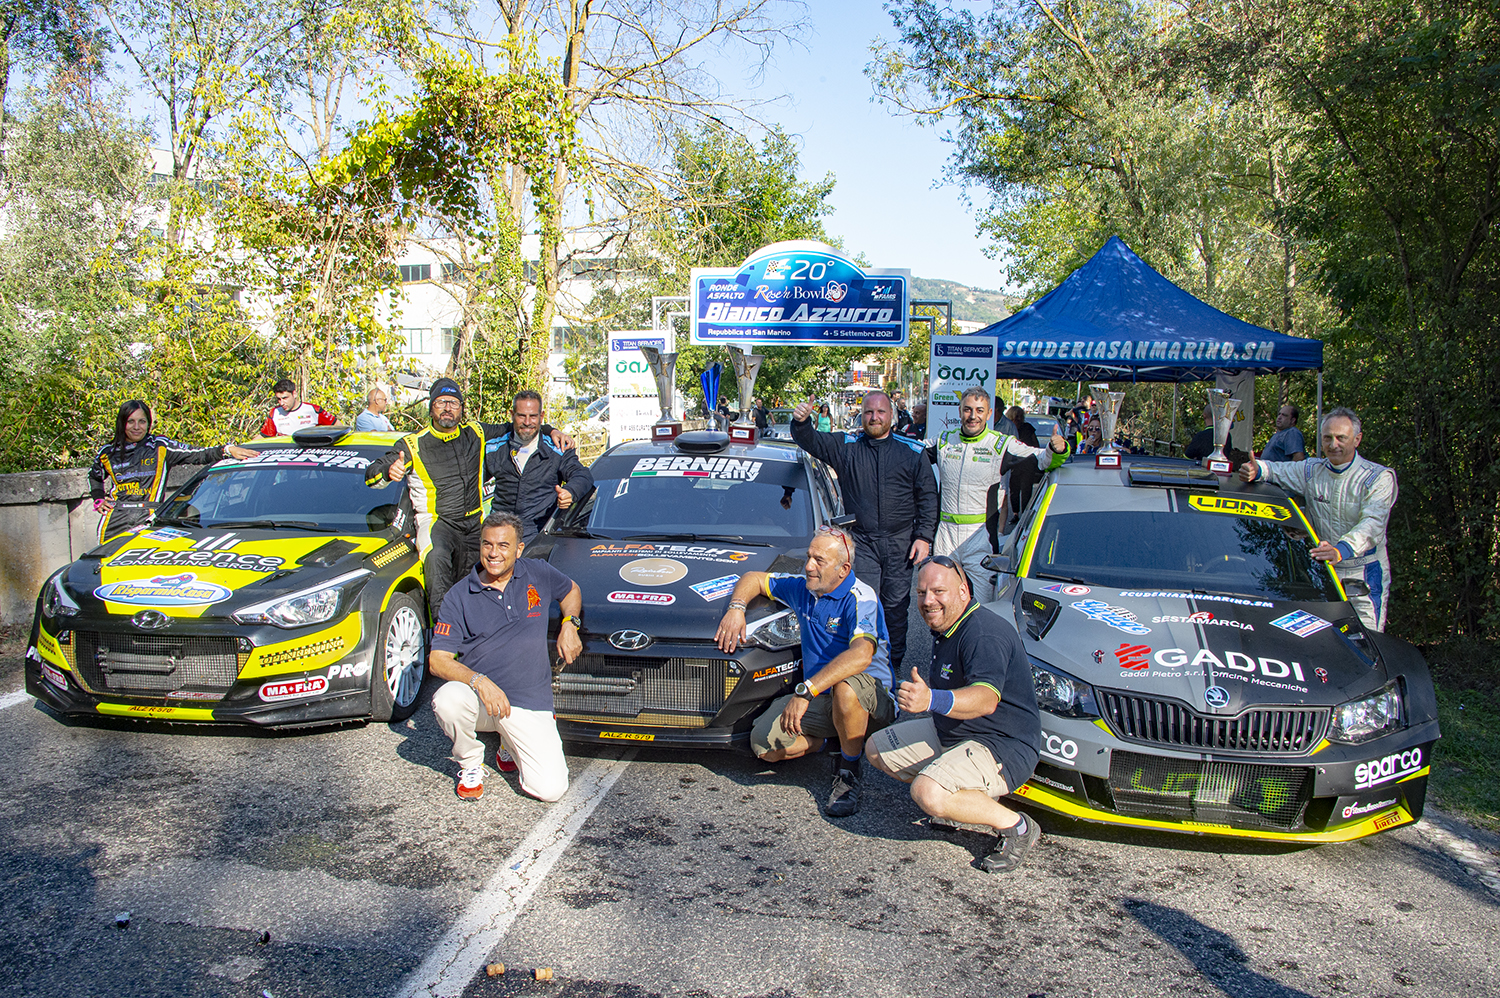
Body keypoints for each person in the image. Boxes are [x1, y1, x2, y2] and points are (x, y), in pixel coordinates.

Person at [865, 555, 1042, 873]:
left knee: (926, 791)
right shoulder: (949, 625)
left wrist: (931, 698)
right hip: (958, 731)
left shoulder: (983, 634)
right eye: (921, 593)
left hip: (1000, 743)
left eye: (938, 592)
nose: (928, 601)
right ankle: (958, 806)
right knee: (878, 749)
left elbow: (986, 699)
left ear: (963, 591)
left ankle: (1018, 827)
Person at [715, 525, 895, 816]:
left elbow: (862, 655)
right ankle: (831, 740)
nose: (808, 566)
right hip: (819, 694)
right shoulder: (804, 587)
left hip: (871, 700)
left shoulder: (861, 597)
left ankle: (849, 770)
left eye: (819, 560)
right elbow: (753, 578)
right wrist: (736, 608)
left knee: (846, 689)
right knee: (763, 745)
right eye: (809, 556)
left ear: (843, 568)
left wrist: (805, 690)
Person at [364, 378, 572, 622]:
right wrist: (389, 471)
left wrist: (551, 430)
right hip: (438, 524)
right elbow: (372, 474)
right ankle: (442, 649)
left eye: (454, 403)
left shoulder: (475, 432)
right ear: (431, 407)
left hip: (474, 524)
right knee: (440, 580)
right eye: (441, 402)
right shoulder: (412, 444)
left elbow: (520, 425)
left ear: (461, 408)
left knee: (482, 588)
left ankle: (478, 646)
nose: (448, 408)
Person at [429, 510, 582, 801]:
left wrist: (569, 624)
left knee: (550, 790)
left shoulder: (537, 571)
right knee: (447, 700)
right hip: (482, 699)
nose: (493, 553)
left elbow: (571, 590)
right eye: (487, 544)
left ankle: (507, 743)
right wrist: (478, 681)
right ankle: (471, 762)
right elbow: (438, 660)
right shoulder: (459, 596)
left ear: (519, 549)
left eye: (503, 546)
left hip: (528, 701)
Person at [791, 390, 938, 672]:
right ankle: (863, 666)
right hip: (863, 542)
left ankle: (891, 669)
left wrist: (924, 537)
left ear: (891, 416)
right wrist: (801, 422)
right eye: (869, 412)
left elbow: (928, 497)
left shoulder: (912, 452)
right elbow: (811, 441)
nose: (874, 417)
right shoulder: (847, 446)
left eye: (881, 412)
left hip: (901, 544)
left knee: (895, 608)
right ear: (862, 415)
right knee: (864, 604)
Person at [1239, 407, 1397, 630]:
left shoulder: (1378, 477)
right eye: (1328, 438)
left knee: (1368, 642)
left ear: (1357, 439)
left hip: (1364, 574)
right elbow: (1277, 470)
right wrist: (1256, 469)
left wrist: (1340, 549)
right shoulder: (1312, 470)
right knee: (1322, 643)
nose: (1334, 445)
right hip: (1321, 572)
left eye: (1341, 438)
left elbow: (1373, 524)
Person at [932, 388, 1068, 600]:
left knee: (982, 603)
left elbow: (1042, 459)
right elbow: (908, 454)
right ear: (959, 411)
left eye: (979, 410)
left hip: (980, 536)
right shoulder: (943, 441)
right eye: (967, 409)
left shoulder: (999, 444)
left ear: (989, 414)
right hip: (945, 534)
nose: (973, 416)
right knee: (941, 599)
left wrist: (1057, 449)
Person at [88, 400, 258, 542]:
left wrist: (227, 450)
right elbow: (94, 476)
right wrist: (98, 499)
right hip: (115, 517)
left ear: (148, 423)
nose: (136, 427)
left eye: (142, 421)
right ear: (122, 423)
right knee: (106, 566)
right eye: (130, 421)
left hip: (148, 515)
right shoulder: (108, 452)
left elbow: (198, 454)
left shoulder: (160, 446)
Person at [483, 390, 594, 543]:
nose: (527, 422)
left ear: (541, 417)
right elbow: (470, 481)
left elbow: (583, 475)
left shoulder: (558, 449)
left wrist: (570, 491)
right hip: (500, 533)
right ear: (512, 414)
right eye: (522, 415)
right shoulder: (493, 448)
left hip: (539, 533)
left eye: (533, 416)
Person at [259, 378, 337, 436]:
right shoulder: (275, 413)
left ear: (294, 394)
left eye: (285, 398)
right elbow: (263, 437)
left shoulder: (313, 410)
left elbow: (339, 427)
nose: (281, 403)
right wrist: (246, 448)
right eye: (279, 399)